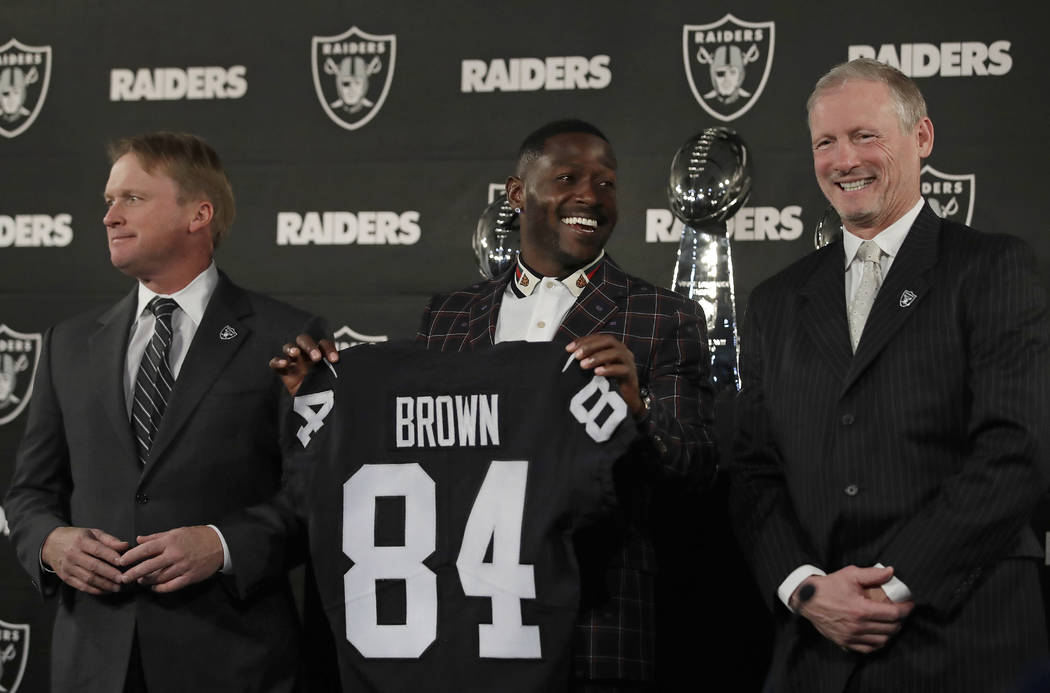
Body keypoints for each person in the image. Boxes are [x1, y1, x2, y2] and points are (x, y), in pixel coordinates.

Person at [273, 119, 718, 690]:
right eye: (567, 177)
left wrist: (637, 413)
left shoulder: (662, 316)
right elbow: (409, 449)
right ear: (517, 194)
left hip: (596, 614)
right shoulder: (450, 315)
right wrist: (322, 401)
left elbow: (697, 472)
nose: (590, 195)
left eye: (606, 183)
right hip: (466, 618)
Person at [731, 58, 1050, 692]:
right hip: (816, 656)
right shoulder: (775, 302)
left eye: (864, 135)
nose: (844, 159)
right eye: (826, 142)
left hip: (966, 641)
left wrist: (891, 585)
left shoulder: (992, 269)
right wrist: (806, 587)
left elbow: (1017, 448)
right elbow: (753, 470)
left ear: (922, 138)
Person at [4, 131, 323, 692]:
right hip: (93, 666)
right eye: (108, 201)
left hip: (233, 660)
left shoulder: (285, 336)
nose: (109, 216)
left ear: (199, 214)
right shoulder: (68, 344)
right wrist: (51, 544)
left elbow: (316, 494)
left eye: (132, 198)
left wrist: (222, 544)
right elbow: (30, 494)